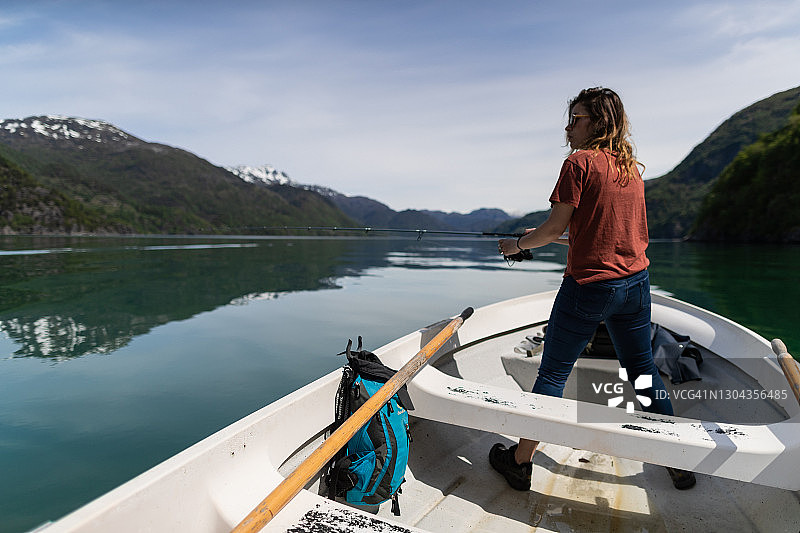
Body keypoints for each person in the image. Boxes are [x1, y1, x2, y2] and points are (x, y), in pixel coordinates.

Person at [491, 87, 696, 492]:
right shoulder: (630, 168)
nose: (568, 127)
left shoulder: (579, 163)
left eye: (577, 118)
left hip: (589, 288)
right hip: (636, 287)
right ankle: (677, 460)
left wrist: (517, 245)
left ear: (598, 121)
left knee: (551, 374)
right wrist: (549, 237)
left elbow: (555, 228)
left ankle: (519, 462)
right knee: (642, 370)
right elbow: (613, 233)